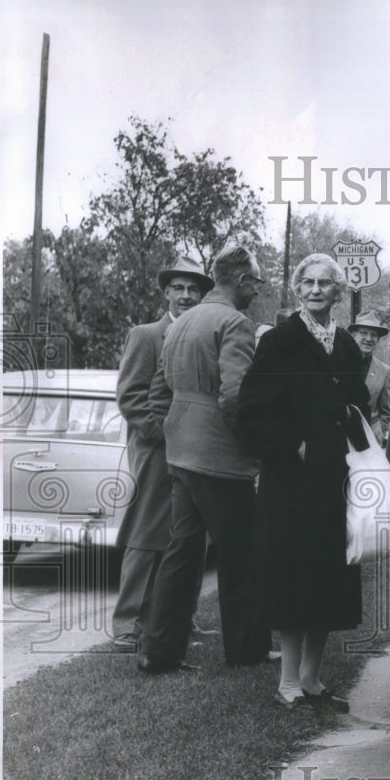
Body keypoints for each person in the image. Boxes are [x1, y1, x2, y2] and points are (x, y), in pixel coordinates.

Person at [238, 254, 370, 709]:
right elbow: (252, 410)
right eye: (307, 283)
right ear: (297, 290)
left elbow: (360, 406)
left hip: (335, 482)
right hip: (291, 486)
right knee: (294, 582)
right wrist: (291, 444)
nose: (315, 291)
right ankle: (289, 684)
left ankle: (312, 682)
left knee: (328, 581)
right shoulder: (280, 342)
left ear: (337, 292)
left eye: (324, 284)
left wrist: (352, 430)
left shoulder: (349, 347)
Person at [139, 242, 272, 672]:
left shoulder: (182, 322)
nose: (257, 289)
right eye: (255, 281)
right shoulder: (235, 322)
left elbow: (158, 393)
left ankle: (158, 653)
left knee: (181, 555)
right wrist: (255, 447)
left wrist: (176, 433)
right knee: (243, 556)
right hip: (221, 460)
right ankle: (247, 651)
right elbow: (236, 396)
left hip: (181, 456)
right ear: (240, 280)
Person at [111, 256, 214, 652]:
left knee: (189, 536)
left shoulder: (206, 334)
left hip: (196, 453)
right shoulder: (146, 334)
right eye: (179, 288)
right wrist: (164, 436)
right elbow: (131, 398)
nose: (186, 296)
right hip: (156, 453)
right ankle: (127, 624)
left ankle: (179, 620)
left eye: (193, 290)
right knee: (146, 535)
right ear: (167, 292)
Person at [348, 310, 390, 444]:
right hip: (338, 440)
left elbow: (385, 412)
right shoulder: (337, 364)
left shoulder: (385, 371)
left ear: (378, 340)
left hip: (369, 441)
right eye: (363, 333)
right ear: (353, 335)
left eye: (373, 335)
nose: (368, 338)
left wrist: (379, 433)